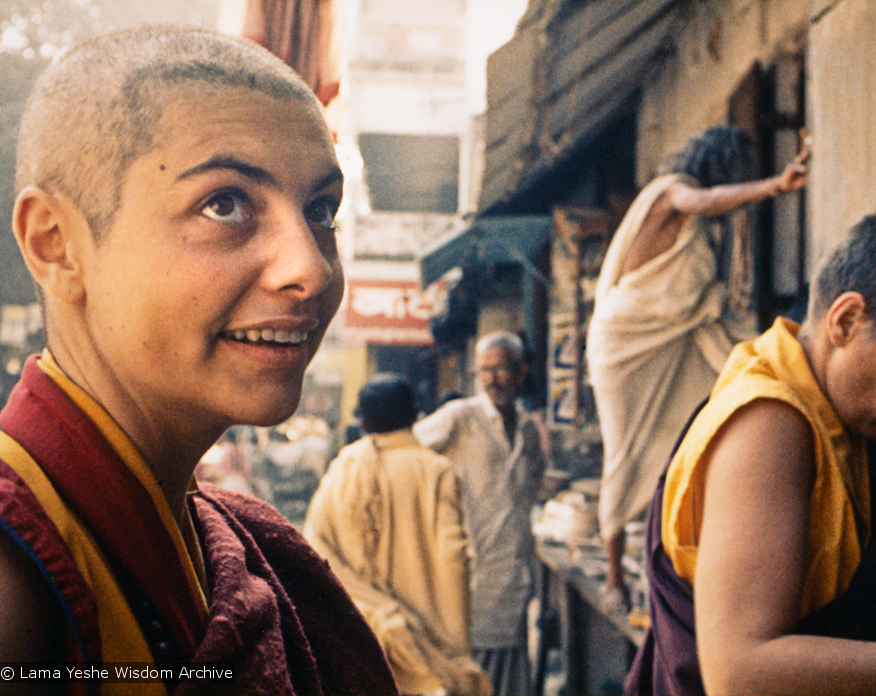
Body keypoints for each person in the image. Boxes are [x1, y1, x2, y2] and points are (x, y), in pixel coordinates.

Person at [0, 24, 397, 695]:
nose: (310, 270)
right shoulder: (17, 575)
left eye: (321, 212)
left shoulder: (222, 536)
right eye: (225, 203)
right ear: (57, 244)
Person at [625, 205, 876, 695]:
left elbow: (849, 565)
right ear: (848, 320)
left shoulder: (835, 418)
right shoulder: (769, 426)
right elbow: (743, 673)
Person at [586, 125, 810, 610]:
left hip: (678, 336)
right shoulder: (670, 192)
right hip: (626, 344)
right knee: (623, 453)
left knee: (698, 427)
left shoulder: (692, 225)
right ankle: (613, 577)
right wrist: (774, 185)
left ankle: (677, 562)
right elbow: (704, 202)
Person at [304, 374, 492, 696]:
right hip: (428, 651)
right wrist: (456, 648)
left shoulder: (345, 466)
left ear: (362, 424)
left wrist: (368, 605)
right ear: (415, 415)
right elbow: (453, 556)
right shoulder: (436, 470)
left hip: (365, 638)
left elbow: (315, 543)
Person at [414, 331, 548, 696]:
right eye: (484, 371)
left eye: (501, 369)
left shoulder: (528, 431)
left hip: (514, 581)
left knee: (509, 682)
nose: (491, 380)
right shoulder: (460, 417)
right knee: (469, 679)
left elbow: (530, 489)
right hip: (469, 580)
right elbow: (405, 451)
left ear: (521, 372)